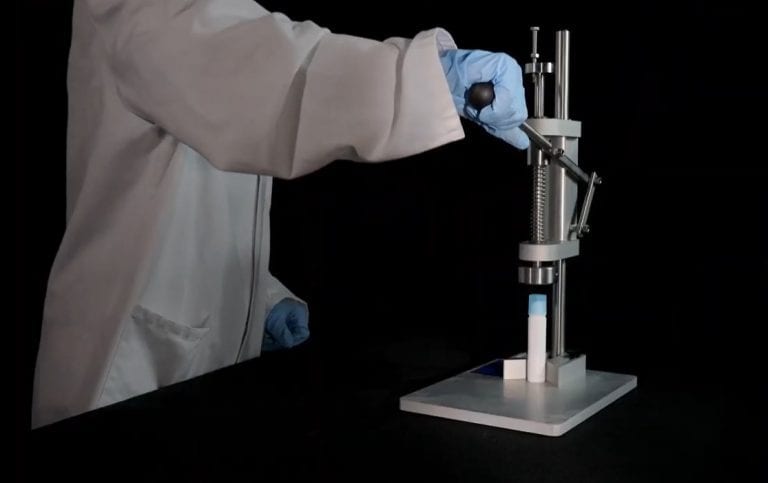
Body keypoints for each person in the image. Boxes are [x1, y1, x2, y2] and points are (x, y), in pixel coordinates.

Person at [31, 0, 529, 429]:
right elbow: (275, 82)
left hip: (183, 374)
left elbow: (195, 183)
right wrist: (425, 75)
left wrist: (259, 298)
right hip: (117, 375)